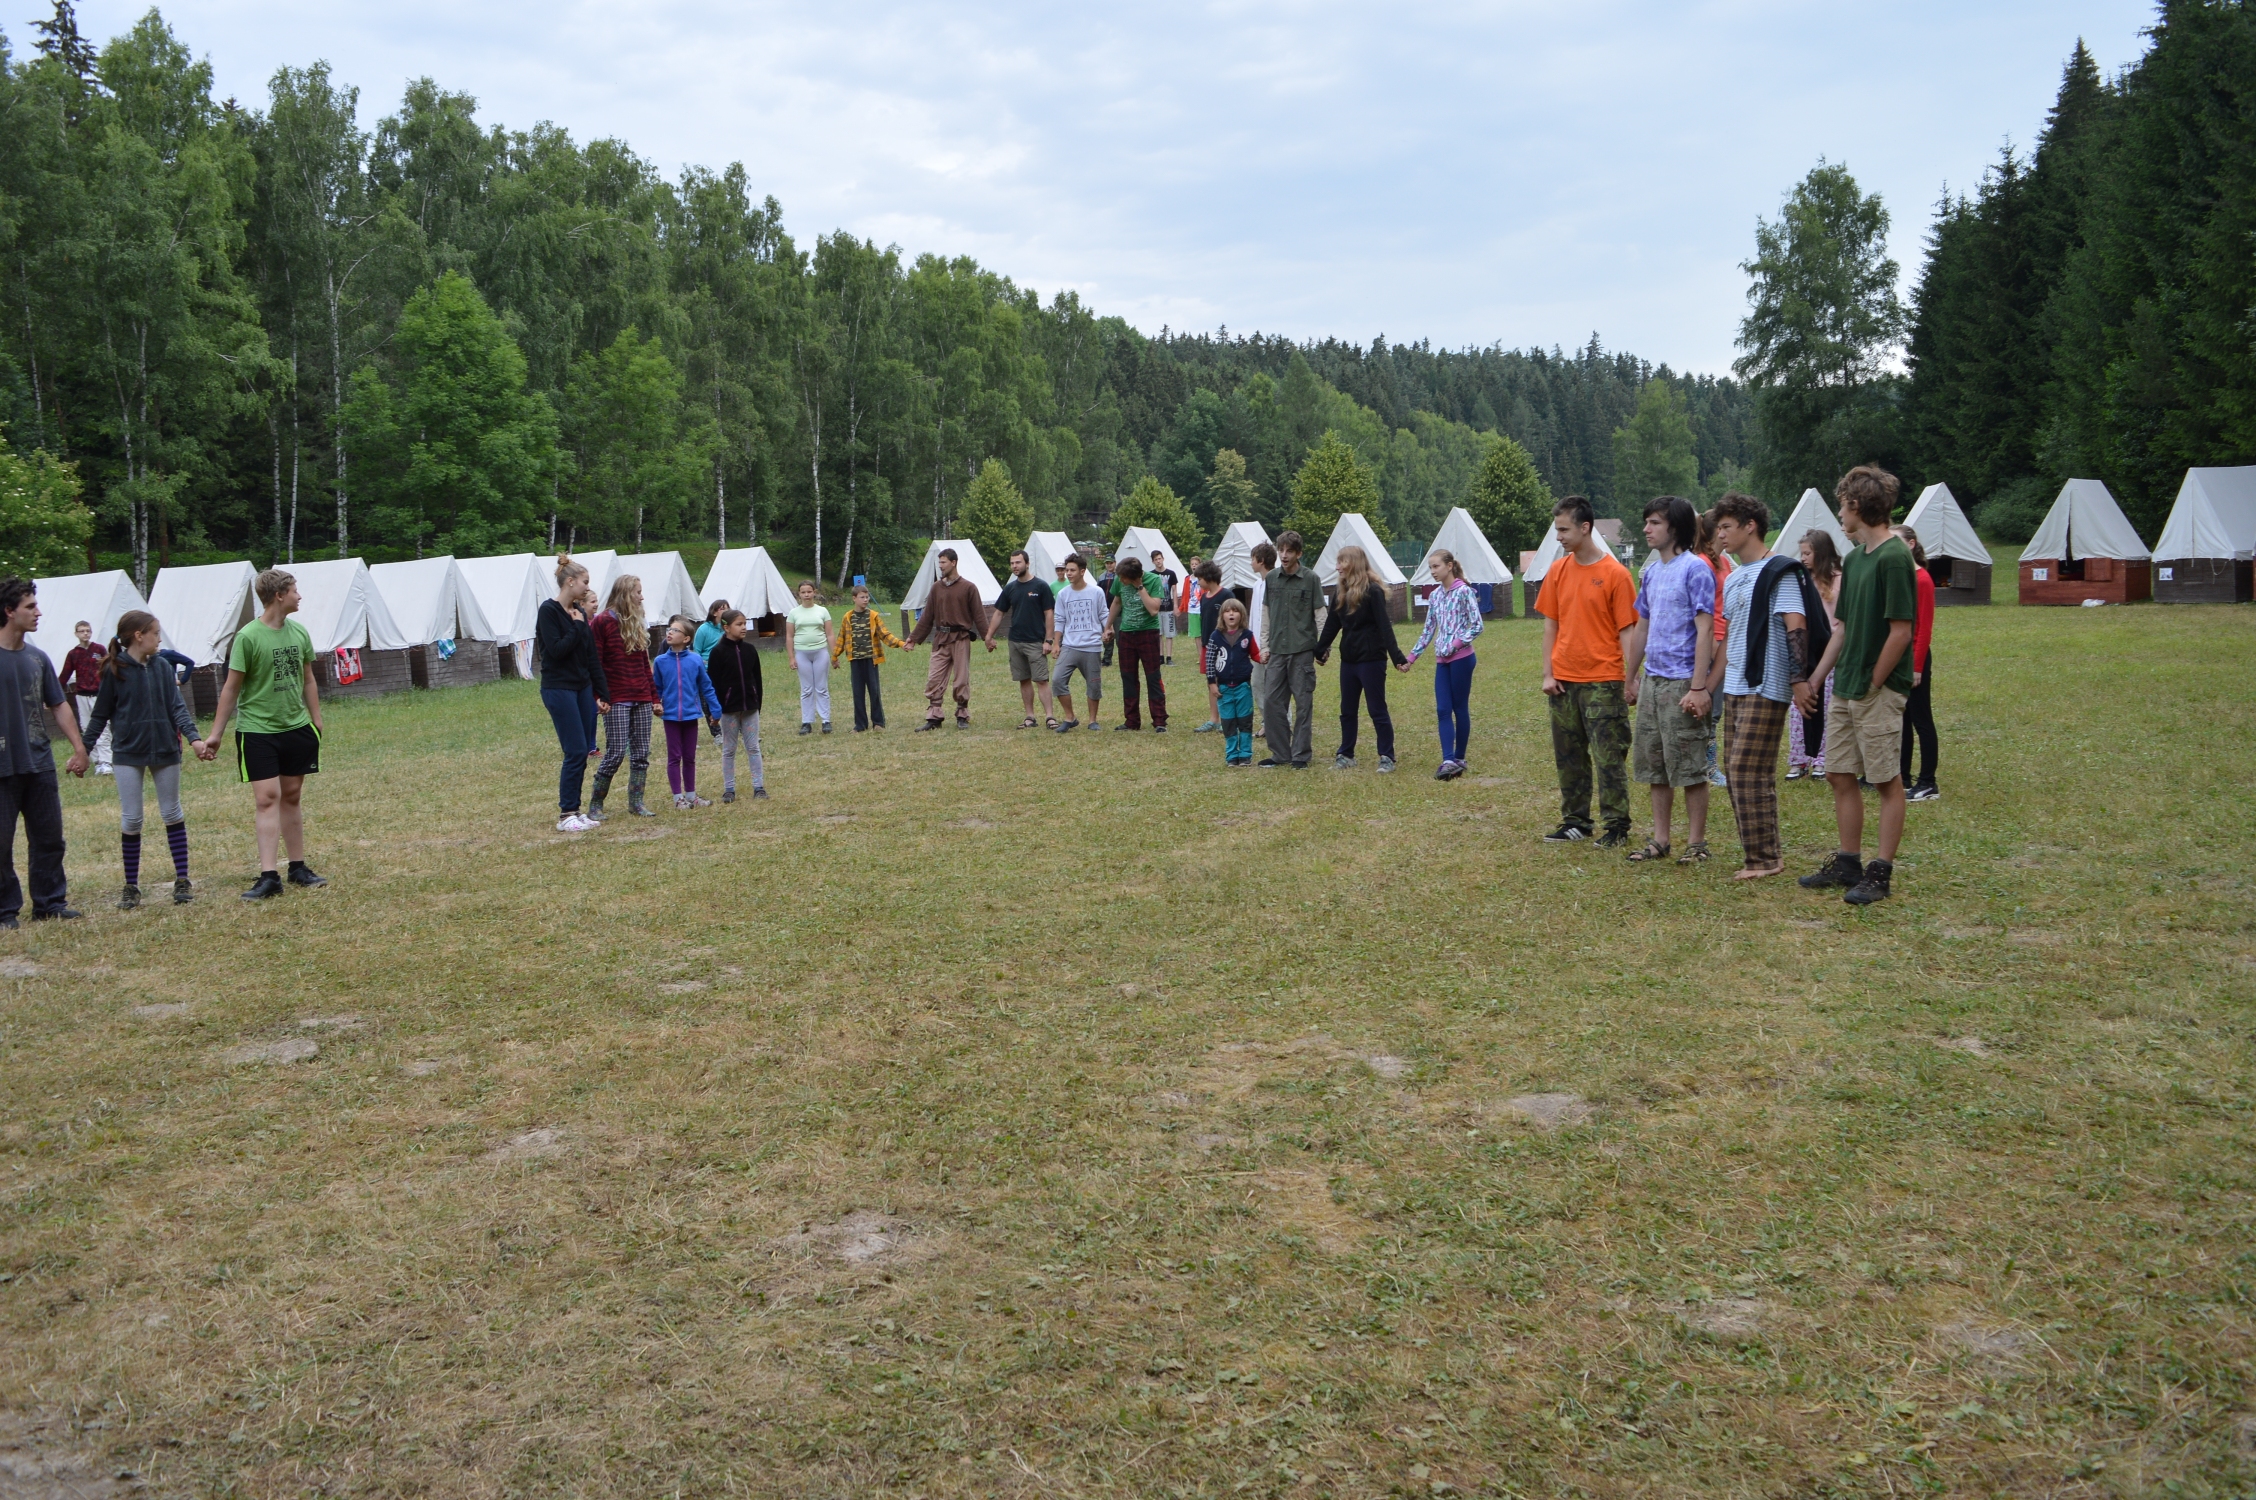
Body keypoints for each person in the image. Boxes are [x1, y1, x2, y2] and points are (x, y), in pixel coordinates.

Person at [1800, 466, 1918, 906]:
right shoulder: (1853, 560)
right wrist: (1816, 679)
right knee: (1838, 772)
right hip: (1846, 686)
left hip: (1876, 690)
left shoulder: (1894, 556)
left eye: (1842, 505)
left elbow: (1901, 631)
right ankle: (1848, 863)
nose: (1839, 514)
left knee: (1885, 780)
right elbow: (1843, 628)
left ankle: (1880, 872)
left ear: (1856, 505)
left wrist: (1874, 681)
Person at [1711, 494, 1819, 880]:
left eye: (1726, 526)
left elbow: (1796, 625)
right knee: (1735, 768)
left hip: (1767, 682)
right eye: (1718, 528)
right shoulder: (1735, 576)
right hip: (1736, 685)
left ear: (1750, 526)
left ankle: (1765, 859)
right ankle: (1759, 854)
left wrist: (1798, 679)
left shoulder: (1779, 571)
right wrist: (1707, 687)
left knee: (1746, 769)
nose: (1720, 534)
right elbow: (1729, 638)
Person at [203, 568, 326, 899]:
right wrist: (216, 734)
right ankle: (269, 876)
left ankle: (298, 867)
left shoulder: (299, 632)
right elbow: (231, 688)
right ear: (279, 595)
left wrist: (315, 719)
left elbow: (308, 678)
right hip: (257, 732)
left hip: (296, 728)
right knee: (267, 798)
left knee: (292, 796)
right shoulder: (248, 637)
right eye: (295, 590)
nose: (300, 596)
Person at [81, 609, 208, 908]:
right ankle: (131, 886)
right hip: (127, 753)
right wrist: (83, 751)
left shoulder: (163, 666)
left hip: (165, 750)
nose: (159, 639)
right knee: (132, 818)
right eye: (156, 633)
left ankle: (182, 880)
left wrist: (194, 739)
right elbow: (99, 716)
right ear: (139, 636)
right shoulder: (115, 670)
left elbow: (177, 707)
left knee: (172, 813)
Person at [1537, 497, 1639, 846]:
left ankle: (1617, 826)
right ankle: (1576, 821)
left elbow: (1627, 631)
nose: (1559, 537)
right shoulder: (1558, 571)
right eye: (1557, 530)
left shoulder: (1616, 575)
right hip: (1564, 681)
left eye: (1564, 530)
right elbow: (1551, 626)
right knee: (1569, 756)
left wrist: (1630, 678)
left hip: (1604, 681)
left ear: (1585, 528)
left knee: (1609, 757)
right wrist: (1549, 673)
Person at [1623, 496, 1717, 864]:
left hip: (1683, 683)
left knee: (1689, 766)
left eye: (1655, 523)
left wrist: (1698, 686)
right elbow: (1642, 626)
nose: (1646, 529)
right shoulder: (1650, 573)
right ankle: (1660, 840)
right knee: (1655, 764)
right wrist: (1631, 677)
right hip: (1653, 681)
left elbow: (1705, 629)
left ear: (1675, 528)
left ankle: (1697, 844)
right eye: (1646, 521)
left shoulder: (1695, 569)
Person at [0, 578, 89, 925]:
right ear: (9, 611)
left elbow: (58, 704)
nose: (38, 612)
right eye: (30, 607)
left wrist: (79, 748)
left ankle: (50, 903)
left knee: (49, 839)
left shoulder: (38, 658)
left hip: (39, 763)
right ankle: (5, 910)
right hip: (2, 767)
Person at [1318, 544, 1407, 772]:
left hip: (1371, 659)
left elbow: (1384, 626)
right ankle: (1346, 754)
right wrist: (1319, 650)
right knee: (1347, 710)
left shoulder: (1373, 591)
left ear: (1354, 564)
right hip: (1349, 660)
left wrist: (1397, 657)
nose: (1337, 567)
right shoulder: (1340, 592)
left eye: (1341, 562)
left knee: (1377, 709)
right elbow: (1332, 625)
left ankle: (1387, 756)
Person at [535, 557, 609, 831]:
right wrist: (578, 626)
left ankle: (576, 812)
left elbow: (591, 657)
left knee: (583, 750)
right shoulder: (549, 611)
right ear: (570, 581)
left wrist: (602, 692)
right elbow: (556, 651)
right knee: (576, 750)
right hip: (559, 688)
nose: (587, 587)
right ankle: (566, 814)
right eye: (585, 582)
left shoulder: (579, 612)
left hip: (582, 688)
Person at [1400, 546, 1481, 779]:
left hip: (1462, 659)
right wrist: (1411, 658)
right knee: (1443, 709)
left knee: (1459, 708)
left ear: (1449, 566)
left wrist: (1456, 643)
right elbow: (1428, 630)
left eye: (1436, 566)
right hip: (1441, 661)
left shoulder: (1464, 592)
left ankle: (1459, 758)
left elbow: (1477, 625)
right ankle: (1447, 760)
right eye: (1430, 568)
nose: (1433, 571)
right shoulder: (1435, 596)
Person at [591, 575, 658, 818]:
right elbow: (595, 662)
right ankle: (595, 805)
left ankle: (636, 802)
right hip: (616, 697)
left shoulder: (637, 622)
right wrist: (598, 695)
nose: (642, 597)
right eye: (638, 592)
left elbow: (644, 664)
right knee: (616, 752)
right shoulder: (602, 621)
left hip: (641, 696)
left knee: (641, 754)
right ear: (625, 594)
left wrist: (654, 697)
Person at [907, 547, 993, 729]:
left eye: (943, 562)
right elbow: (927, 616)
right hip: (941, 638)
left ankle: (962, 714)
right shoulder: (936, 588)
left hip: (960, 638)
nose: (940, 566)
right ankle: (934, 716)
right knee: (934, 677)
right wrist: (913, 638)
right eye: (939, 562)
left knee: (961, 679)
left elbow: (979, 615)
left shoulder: (968, 587)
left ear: (953, 563)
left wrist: (988, 638)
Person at [1257, 531, 1321, 768]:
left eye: (1289, 551)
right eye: (1281, 550)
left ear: (1299, 554)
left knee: (1303, 704)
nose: (1284, 555)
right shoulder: (1271, 578)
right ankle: (1280, 753)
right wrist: (1264, 645)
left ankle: (1300, 755)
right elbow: (1266, 614)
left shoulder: (1311, 579)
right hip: (1276, 651)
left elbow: (1320, 614)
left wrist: (1323, 647)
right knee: (1272, 702)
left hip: (1302, 651)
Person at [652, 616, 724, 809]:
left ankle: (691, 795)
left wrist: (716, 710)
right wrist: (656, 704)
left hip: (691, 715)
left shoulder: (695, 660)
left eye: (675, 630)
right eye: (669, 629)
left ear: (686, 639)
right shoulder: (660, 661)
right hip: (670, 717)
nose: (670, 632)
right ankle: (678, 798)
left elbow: (706, 687)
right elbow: (656, 688)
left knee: (689, 757)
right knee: (674, 757)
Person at [1786, 532, 1842, 781]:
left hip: (1829, 653)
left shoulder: (1839, 580)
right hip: (1804, 652)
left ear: (1821, 554)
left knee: (1826, 706)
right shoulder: (1802, 581)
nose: (1803, 558)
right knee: (1799, 706)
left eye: (1808, 553)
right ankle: (1799, 759)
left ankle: (1821, 759)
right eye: (1802, 554)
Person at [1896, 525, 1940, 802]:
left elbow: (1924, 628)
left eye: (1896, 541)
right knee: (1902, 718)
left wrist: (1917, 666)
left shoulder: (1922, 579)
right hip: (1899, 655)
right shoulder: (1901, 577)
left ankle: (1928, 782)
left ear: (1911, 544)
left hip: (1915, 657)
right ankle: (1902, 777)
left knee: (1921, 720)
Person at [706, 609, 768, 801]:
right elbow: (712, 684)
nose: (743, 628)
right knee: (729, 749)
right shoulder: (717, 652)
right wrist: (714, 711)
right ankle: (729, 789)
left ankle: (759, 787)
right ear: (726, 627)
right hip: (728, 711)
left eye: (744, 624)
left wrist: (757, 703)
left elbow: (757, 679)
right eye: (739, 624)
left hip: (750, 708)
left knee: (753, 748)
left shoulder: (750, 650)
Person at [995, 549, 1058, 728]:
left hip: (1036, 641)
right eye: (1012, 563)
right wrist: (989, 636)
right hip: (1016, 641)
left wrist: (1048, 640)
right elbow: (999, 613)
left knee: (1041, 680)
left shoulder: (1041, 586)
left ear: (1027, 563)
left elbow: (1049, 613)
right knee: (1023, 679)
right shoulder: (1010, 588)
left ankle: (1050, 717)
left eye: (1018, 562)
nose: (1014, 566)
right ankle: (1030, 717)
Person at [1106, 556, 1170, 731]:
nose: (1121, 581)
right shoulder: (1120, 580)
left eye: (1124, 578)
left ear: (1134, 577)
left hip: (1148, 634)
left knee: (1153, 677)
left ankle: (1159, 720)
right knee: (1128, 677)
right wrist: (1108, 626)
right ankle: (1132, 721)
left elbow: (1153, 610)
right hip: (1126, 634)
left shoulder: (1154, 580)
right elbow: (1117, 602)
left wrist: (1140, 587)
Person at [832, 583, 905, 731]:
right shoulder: (848, 617)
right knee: (858, 693)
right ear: (854, 598)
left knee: (874, 691)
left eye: (867, 597)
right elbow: (841, 638)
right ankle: (860, 725)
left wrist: (900, 643)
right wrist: (835, 656)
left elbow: (885, 634)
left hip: (871, 659)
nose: (865, 600)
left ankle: (878, 723)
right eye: (862, 597)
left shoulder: (873, 616)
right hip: (855, 660)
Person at [1693, 511, 1732, 789]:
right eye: (1723, 527)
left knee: (1716, 710)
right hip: (1711, 644)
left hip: (1724, 643)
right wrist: (1715, 646)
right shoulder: (1702, 564)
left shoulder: (1724, 561)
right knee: (1709, 709)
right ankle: (1707, 766)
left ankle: (1708, 765)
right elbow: (1704, 613)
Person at [1048, 553, 1107, 732]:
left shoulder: (1096, 592)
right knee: (1058, 680)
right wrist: (1056, 643)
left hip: (1092, 646)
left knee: (1093, 684)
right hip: (1070, 645)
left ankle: (1092, 721)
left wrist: (1108, 629)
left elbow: (1103, 614)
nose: (1068, 573)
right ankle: (1070, 717)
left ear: (1082, 571)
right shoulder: (1063, 594)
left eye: (1072, 570)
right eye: (1067, 570)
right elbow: (1060, 619)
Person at [1205, 597, 1261, 767]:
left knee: (1245, 721)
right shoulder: (1215, 636)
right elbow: (1209, 661)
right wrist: (1212, 683)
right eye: (1227, 611)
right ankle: (1231, 755)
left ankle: (1245, 754)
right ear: (1222, 616)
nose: (1231, 614)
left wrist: (1264, 657)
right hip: (1223, 688)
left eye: (1235, 611)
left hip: (1243, 686)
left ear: (1241, 615)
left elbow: (1255, 654)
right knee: (1228, 722)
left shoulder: (1247, 636)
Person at [61, 620, 110, 775]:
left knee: (103, 728)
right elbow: (65, 675)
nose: (85, 634)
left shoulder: (99, 649)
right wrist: (52, 694)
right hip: (82, 695)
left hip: (98, 694)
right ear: (76, 634)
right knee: (87, 727)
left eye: (88, 631)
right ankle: (97, 762)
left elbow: (109, 668)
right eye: (82, 631)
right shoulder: (73, 654)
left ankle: (106, 761)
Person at [786, 582, 835, 735]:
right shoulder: (793, 613)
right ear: (799, 594)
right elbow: (789, 636)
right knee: (806, 689)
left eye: (809, 591)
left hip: (820, 652)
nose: (806, 595)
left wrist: (835, 654)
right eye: (803, 592)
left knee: (821, 687)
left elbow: (830, 634)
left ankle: (826, 720)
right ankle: (806, 721)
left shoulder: (823, 611)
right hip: (802, 653)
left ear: (814, 592)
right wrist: (791, 657)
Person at [1189, 560, 1226, 732]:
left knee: (1224, 681)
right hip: (1207, 646)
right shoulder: (1203, 597)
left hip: (1223, 646)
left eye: (1200, 579)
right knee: (1211, 681)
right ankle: (1214, 719)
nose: (1198, 582)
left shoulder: (1226, 595)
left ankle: (1226, 719)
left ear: (1209, 577)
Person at [1247, 541, 1274, 735]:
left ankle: (1282, 722)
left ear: (1261, 560)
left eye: (1253, 559)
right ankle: (1267, 721)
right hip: (1256, 646)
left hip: (1271, 646)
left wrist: (1269, 646)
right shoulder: (1257, 585)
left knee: (1275, 686)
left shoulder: (1276, 583)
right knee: (1257, 684)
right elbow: (1254, 617)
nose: (1251, 563)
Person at [1151, 549, 1180, 664]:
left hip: (1168, 607)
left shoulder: (1171, 574)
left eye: (1159, 558)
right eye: (1156, 559)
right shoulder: (1151, 575)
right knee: (1158, 633)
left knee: (1169, 633)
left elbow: (1174, 590)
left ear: (1163, 559)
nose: (1158, 561)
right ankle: (1160, 656)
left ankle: (1169, 657)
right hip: (1157, 608)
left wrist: (1175, 606)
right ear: (1153, 561)